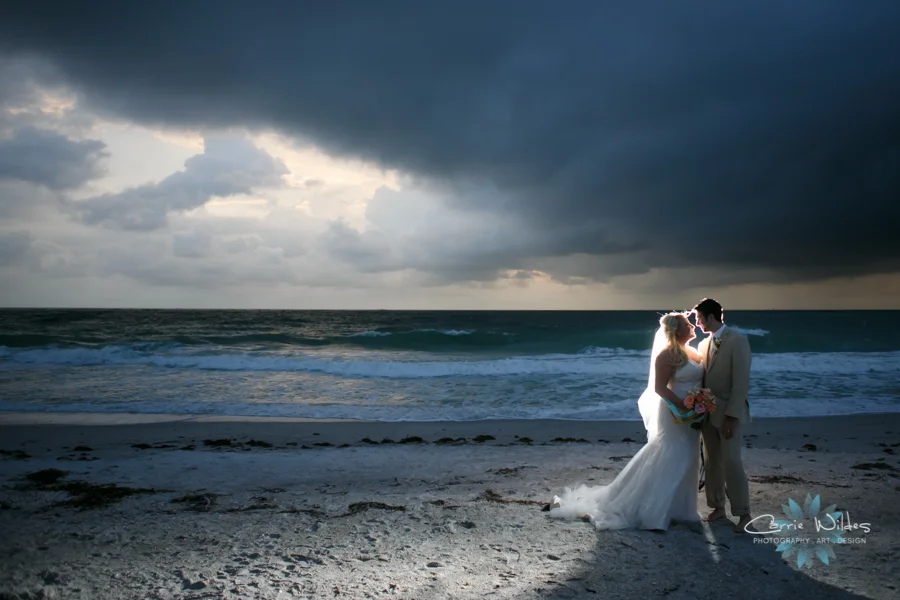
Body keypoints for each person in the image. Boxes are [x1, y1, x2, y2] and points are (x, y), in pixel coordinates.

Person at [548, 312, 703, 531]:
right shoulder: (667, 355)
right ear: (677, 330)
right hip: (674, 412)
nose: (693, 326)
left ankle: (681, 509)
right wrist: (682, 405)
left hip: (693, 414)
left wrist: (700, 403)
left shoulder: (694, 352)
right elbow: (659, 388)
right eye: (688, 323)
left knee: (689, 456)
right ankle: (657, 513)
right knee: (674, 454)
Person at [691, 298, 754, 533]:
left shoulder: (737, 341)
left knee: (731, 462)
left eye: (699, 318)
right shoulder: (704, 345)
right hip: (708, 413)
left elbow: (741, 383)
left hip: (728, 414)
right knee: (711, 462)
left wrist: (731, 416)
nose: (697, 323)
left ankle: (744, 513)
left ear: (710, 317)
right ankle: (717, 507)